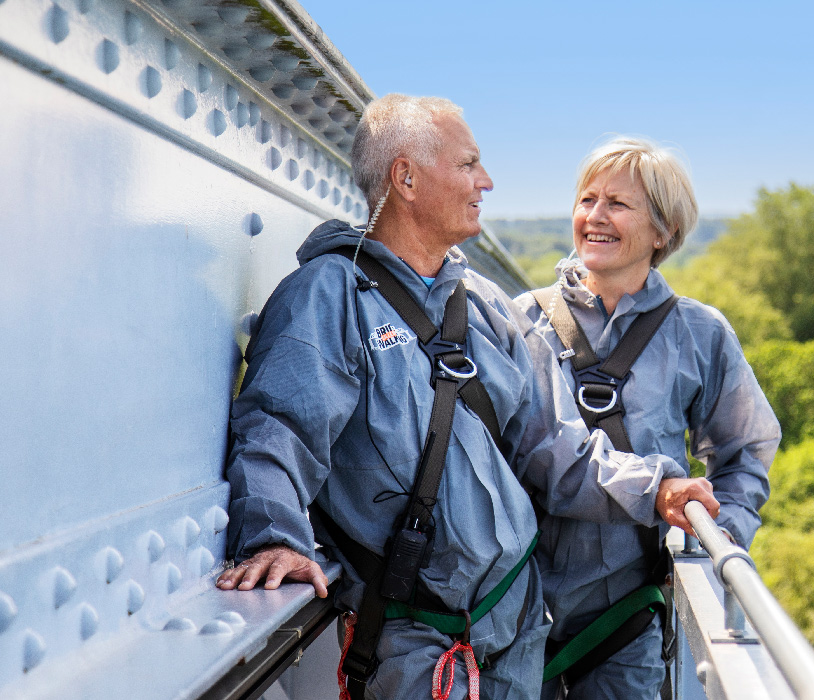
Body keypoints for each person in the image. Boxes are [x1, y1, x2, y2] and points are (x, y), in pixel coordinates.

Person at [215, 96, 718, 700]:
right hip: (416, 646)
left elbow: (548, 445)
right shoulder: (328, 296)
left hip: (516, 635)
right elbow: (278, 428)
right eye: (467, 164)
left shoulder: (482, 303)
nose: (486, 181)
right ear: (406, 179)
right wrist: (272, 538)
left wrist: (655, 488)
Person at [516, 137, 778, 699]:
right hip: (515, 610)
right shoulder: (522, 322)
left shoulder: (699, 333)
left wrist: (714, 541)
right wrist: (657, 491)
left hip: (628, 616)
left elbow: (744, 453)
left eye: (617, 204)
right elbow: (534, 448)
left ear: (663, 231)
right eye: (587, 200)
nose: (596, 216)